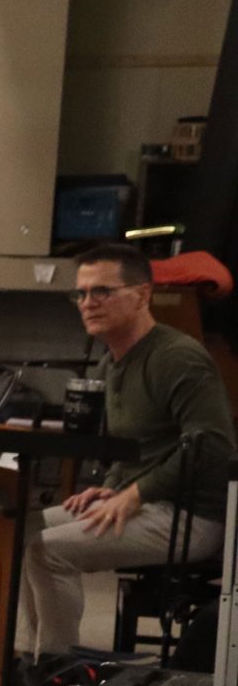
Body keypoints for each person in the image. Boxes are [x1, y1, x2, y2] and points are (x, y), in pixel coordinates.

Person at [19, 244, 235, 657]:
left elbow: (211, 444)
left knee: (49, 552)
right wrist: (115, 485)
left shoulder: (178, 358)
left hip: (192, 515)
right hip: (145, 501)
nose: (88, 303)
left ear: (142, 295)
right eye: (81, 294)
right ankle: (27, 663)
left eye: (102, 292)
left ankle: (53, 671)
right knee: (20, 532)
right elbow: (137, 447)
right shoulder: (112, 362)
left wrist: (136, 493)